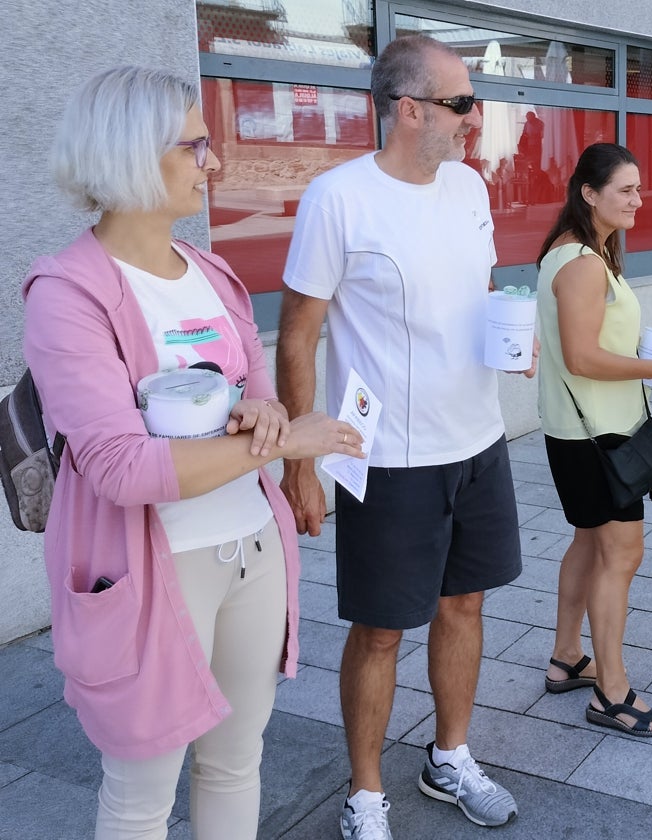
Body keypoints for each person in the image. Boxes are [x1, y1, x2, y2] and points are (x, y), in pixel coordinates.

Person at [21, 66, 364, 840]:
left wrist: (266, 414)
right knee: (142, 793)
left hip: (250, 549)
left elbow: (259, 402)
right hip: (152, 569)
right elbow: (120, 469)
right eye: (195, 145)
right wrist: (287, 440)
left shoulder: (213, 274)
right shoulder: (68, 292)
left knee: (236, 763)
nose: (214, 162)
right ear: (133, 155)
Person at [276, 34, 531, 838]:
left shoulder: (467, 188)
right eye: (461, 103)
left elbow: (480, 286)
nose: (474, 117)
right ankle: (364, 795)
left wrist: (510, 340)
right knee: (381, 628)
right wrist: (302, 465)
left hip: (478, 440)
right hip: (384, 456)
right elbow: (296, 336)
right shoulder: (338, 198)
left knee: (464, 605)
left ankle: (448, 756)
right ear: (409, 109)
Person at [536, 143, 652, 737]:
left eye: (638, 187)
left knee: (589, 543)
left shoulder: (582, 253)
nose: (638, 198)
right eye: (625, 189)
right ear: (589, 193)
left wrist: (650, 360)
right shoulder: (581, 261)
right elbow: (581, 357)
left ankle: (565, 657)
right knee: (622, 554)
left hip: (583, 430)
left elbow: (592, 347)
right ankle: (611, 691)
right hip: (595, 434)